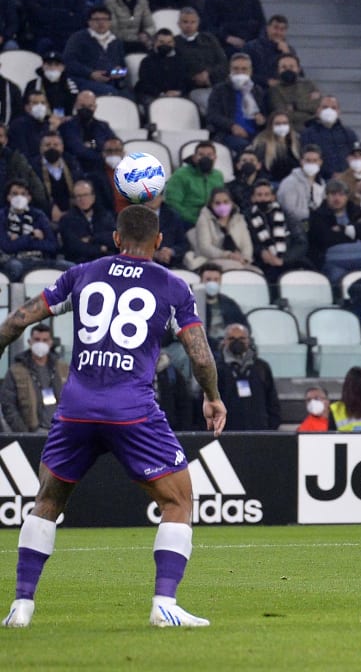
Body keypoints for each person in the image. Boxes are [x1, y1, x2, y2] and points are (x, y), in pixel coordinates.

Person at [0, 204, 226, 628]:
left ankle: (21, 606)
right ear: (159, 242)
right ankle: (164, 604)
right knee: (178, 502)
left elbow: (15, 323)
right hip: (132, 411)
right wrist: (212, 396)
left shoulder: (83, 273)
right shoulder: (173, 286)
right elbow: (199, 353)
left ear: (117, 238)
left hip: (76, 410)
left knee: (46, 501)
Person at [0, 324, 68, 435]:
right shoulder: (16, 370)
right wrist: (23, 432)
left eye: (45, 340)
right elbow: (8, 405)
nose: (41, 343)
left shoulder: (63, 368)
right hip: (33, 432)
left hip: (60, 431)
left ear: (50, 342)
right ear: (30, 341)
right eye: (37, 339)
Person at [215, 323, 280, 432]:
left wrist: (270, 427)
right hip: (226, 433)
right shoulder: (216, 369)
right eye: (232, 339)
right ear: (225, 341)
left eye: (241, 338)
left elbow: (272, 400)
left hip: (260, 432)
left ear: (249, 340)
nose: (237, 342)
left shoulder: (262, 367)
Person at [165, 141, 224, 225]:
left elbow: (221, 199)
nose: (205, 158)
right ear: (194, 157)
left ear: (215, 157)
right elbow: (173, 203)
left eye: (209, 155)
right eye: (201, 155)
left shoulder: (218, 175)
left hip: (212, 220)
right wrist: (195, 220)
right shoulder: (181, 175)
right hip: (188, 221)